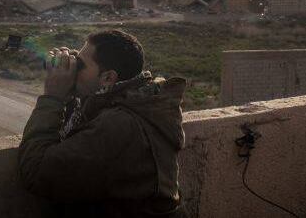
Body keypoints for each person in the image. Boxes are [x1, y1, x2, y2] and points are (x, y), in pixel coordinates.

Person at [18, 29, 186, 217]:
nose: (74, 68)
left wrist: (53, 97)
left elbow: (37, 172)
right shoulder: (140, 102)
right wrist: (74, 88)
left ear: (108, 78)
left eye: (80, 65)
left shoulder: (118, 125)